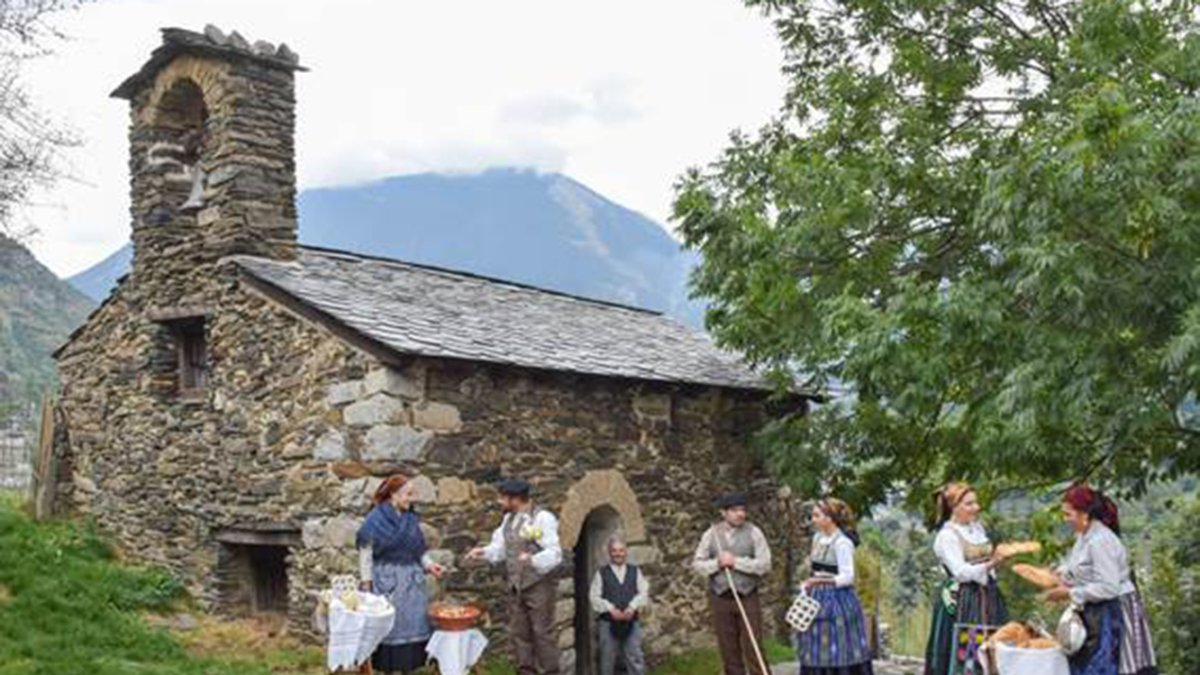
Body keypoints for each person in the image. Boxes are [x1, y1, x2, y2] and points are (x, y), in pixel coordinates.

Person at [1045, 485, 1157, 675]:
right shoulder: (1084, 536)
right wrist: (1059, 573)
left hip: (1115, 612)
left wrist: (1070, 593)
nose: (1065, 520)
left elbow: (1108, 587)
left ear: (1084, 514)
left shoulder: (1101, 541)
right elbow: (1082, 568)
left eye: (1068, 514)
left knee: (1114, 665)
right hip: (1096, 611)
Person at [466, 478, 563, 675]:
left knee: (542, 634)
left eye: (503, 498)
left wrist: (533, 560)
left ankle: (550, 672)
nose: (500, 502)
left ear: (516, 498)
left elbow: (555, 553)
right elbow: (500, 549)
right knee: (520, 635)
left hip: (539, 585)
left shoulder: (542, 518)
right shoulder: (508, 520)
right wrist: (482, 552)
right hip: (516, 586)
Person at [356, 474, 445, 675]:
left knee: (413, 626)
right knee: (390, 628)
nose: (411, 498)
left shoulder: (411, 519)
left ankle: (408, 670)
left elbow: (418, 550)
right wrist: (366, 584)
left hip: (412, 584)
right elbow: (365, 554)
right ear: (393, 494)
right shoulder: (374, 519)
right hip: (386, 582)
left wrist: (430, 566)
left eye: (412, 494)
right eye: (408, 494)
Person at [924, 482, 1008, 675]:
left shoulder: (976, 528)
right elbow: (960, 572)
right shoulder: (947, 536)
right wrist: (991, 564)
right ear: (954, 507)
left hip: (989, 596)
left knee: (993, 648)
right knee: (966, 651)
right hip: (962, 599)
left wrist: (995, 565)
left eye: (976, 503)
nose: (976, 508)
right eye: (969, 504)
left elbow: (986, 561)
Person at [692, 492, 772, 675]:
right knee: (728, 649)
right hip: (720, 597)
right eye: (735, 510)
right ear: (723, 513)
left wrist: (735, 562)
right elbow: (698, 564)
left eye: (743, 510)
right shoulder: (711, 534)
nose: (740, 514)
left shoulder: (754, 532)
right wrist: (717, 563)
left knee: (753, 645)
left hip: (747, 596)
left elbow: (765, 564)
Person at [796, 498, 874, 675]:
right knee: (815, 646)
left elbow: (848, 577)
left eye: (816, 515)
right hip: (816, 598)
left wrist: (820, 581)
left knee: (840, 646)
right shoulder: (817, 538)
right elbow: (815, 569)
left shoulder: (842, 543)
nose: (813, 519)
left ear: (829, 518)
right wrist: (809, 585)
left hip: (839, 600)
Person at [590, 534, 649, 675]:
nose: (618, 554)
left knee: (635, 656)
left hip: (631, 621)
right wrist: (610, 609)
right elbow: (594, 596)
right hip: (608, 622)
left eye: (621, 550)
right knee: (607, 659)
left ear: (626, 551)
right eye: (614, 551)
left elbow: (643, 592)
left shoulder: (635, 571)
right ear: (610, 552)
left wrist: (632, 607)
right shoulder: (601, 573)